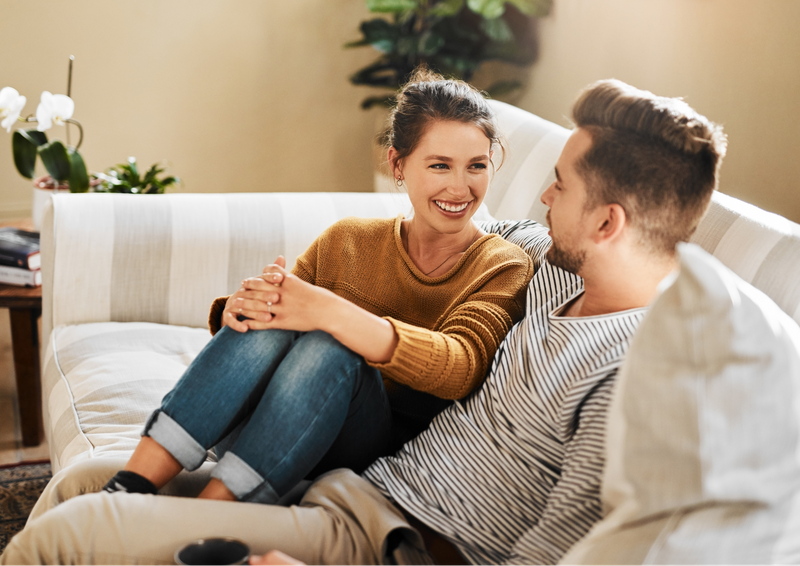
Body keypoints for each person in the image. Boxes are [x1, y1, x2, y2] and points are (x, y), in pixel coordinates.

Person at [0, 78, 726, 566]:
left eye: (559, 186)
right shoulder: (545, 265)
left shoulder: (635, 374)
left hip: (386, 536)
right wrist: (248, 305)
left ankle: (184, 517)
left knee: (81, 530)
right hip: (357, 479)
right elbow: (437, 225)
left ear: (606, 221)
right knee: (83, 482)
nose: (538, 194)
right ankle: (160, 501)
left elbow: (552, 551)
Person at [97, 68, 534, 505]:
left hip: (359, 448)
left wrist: (331, 314)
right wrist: (240, 307)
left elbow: (460, 367)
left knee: (333, 346)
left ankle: (210, 512)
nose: (460, 187)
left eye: (476, 166)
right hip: (257, 430)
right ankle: (128, 488)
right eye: (440, 165)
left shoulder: (501, 265)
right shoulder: (348, 239)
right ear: (398, 164)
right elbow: (277, 324)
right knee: (281, 305)